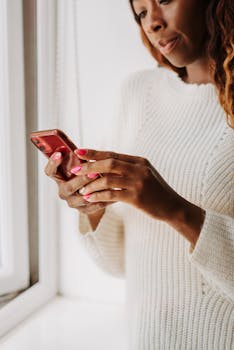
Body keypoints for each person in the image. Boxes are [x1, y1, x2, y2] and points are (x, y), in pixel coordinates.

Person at [45, 0, 234, 349]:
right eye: (142, 12)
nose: (153, 23)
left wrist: (176, 211)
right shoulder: (136, 93)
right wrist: (91, 205)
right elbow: (117, 262)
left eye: (163, 1)